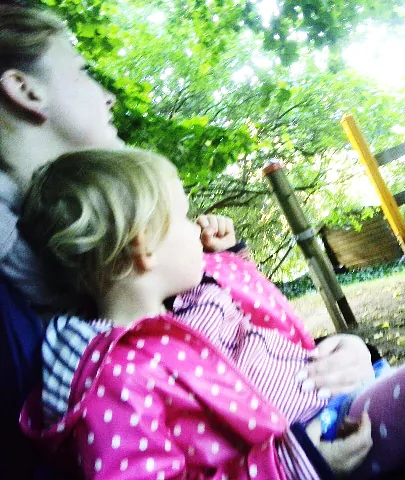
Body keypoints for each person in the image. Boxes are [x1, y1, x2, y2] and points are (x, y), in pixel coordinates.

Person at [18, 147, 405, 479]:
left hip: (338, 407)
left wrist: (231, 256)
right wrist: (291, 466)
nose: (197, 226)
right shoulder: (114, 378)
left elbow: (260, 318)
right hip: (321, 441)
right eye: (182, 217)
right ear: (143, 248)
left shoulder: (190, 304)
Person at [0, 4, 375, 408]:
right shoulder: (34, 317)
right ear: (25, 89)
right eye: (81, 72)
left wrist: (341, 355)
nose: (108, 98)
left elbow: (230, 351)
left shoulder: (86, 252)